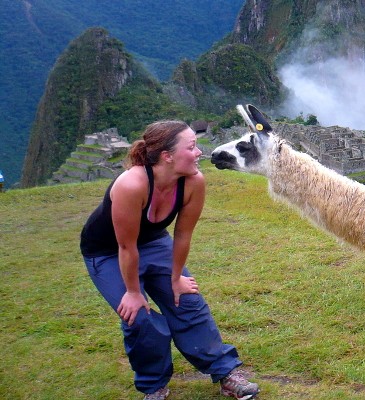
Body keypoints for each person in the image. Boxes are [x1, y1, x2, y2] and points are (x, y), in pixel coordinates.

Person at [80, 120, 259, 400]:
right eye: (191, 147)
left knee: (187, 300)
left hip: (152, 241)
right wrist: (133, 292)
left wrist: (176, 279)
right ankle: (154, 386)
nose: (199, 152)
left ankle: (225, 372)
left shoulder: (193, 182)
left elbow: (182, 235)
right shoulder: (132, 184)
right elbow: (126, 247)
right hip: (108, 251)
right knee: (137, 317)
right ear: (167, 156)